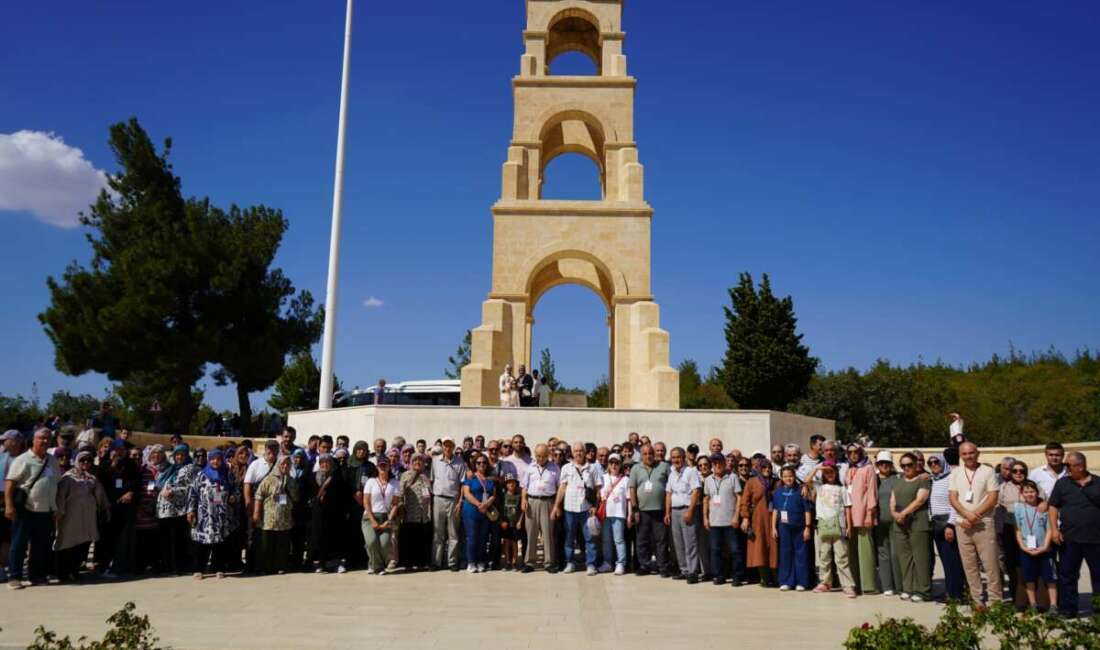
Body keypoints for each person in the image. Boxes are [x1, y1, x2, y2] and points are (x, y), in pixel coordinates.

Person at [948, 441, 1002, 605]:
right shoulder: (956, 472)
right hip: (963, 524)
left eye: (971, 453)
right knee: (969, 565)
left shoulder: (988, 471)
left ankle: (995, 601)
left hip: (983, 522)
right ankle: (977, 600)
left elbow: (993, 498)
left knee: (990, 564)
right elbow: (952, 498)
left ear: (977, 453)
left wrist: (975, 515)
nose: (968, 456)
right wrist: (966, 515)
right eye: (964, 454)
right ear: (960, 455)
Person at [1048, 451, 1100, 618]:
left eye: (1068, 465)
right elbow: (1053, 506)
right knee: (1067, 575)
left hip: (1096, 539)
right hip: (1069, 538)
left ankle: (1098, 610)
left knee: (1099, 575)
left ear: (1081, 466)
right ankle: (1068, 609)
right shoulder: (1062, 484)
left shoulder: (1098, 483)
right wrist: (1054, 529)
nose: (1066, 468)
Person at [53, 450, 109, 582]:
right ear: (77, 461)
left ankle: (74, 570)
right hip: (70, 518)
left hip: (88, 518)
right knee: (68, 544)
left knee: (83, 544)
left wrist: (105, 508)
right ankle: (63, 573)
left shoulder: (92, 478)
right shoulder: (68, 477)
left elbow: (101, 496)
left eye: (88, 460)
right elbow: (61, 496)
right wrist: (59, 513)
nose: (85, 463)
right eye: (82, 460)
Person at [187, 449, 239, 579]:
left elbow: (236, 489)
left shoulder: (227, 474)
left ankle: (219, 567)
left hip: (222, 515)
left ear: (222, 460)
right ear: (209, 460)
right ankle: (199, 569)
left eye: (218, 459)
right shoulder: (201, 475)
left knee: (220, 542)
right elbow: (192, 493)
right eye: (213, 459)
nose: (215, 461)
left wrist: (234, 496)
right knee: (202, 543)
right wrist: (191, 510)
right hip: (204, 514)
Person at [890, 452, 932, 603]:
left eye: (909, 465)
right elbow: (892, 500)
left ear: (916, 465)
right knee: (904, 557)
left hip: (917, 522)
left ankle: (923, 590)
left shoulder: (923, 481)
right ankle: (908, 588)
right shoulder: (898, 482)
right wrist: (895, 514)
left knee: (920, 557)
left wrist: (904, 513)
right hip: (900, 523)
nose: (906, 468)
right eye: (903, 465)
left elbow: (920, 500)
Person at [813, 463, 857, 597]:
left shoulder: (842, 489)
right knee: (824, 555)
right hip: (824, 525)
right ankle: (825, 582)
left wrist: (849, 526)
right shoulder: (820, 487)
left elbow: (848, 507)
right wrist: (818, 469)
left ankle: (847, 585)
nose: (829, 474)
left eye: (831, 472)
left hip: (839, 525)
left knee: (842, 556)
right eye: (826, 472)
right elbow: (806, 481)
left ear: (836, 473)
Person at [556, 442, 600, 575]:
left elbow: (598, 489)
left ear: (585, 452)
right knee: (569, 538)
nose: (578, 453)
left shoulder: (592, 468)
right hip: (570, 508)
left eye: (581, 451)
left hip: (587, 509)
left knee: (590, 538)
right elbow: (562, 488)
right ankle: (570, 563)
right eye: (576, 451)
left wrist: (595, 506)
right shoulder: (566, 468)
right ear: (572, 453)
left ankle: (591, 564)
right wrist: (556, 506)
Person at [97, 442, 139, 578]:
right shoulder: (105, 464)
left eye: (122, 450)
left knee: (124, 538)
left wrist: (131, 493)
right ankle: (104, 566)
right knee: (108, 538)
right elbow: (102, 484)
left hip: (126, 508)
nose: (120, 452)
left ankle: (121, 566)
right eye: (117, 450)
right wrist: (113, 465)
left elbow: (137, 482)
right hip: (110, 507)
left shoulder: (131, 464)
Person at [927, 453, 965, 601]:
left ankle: (956, 594)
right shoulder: (933, 480)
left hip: (948, 524)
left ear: (943, 462)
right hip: (936, 524)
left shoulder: (951, 479)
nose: (934, 464)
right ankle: (951, 591)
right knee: (946, 561)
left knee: (953, 561)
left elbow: (955, 504)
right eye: (930, 463)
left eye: (936, 461)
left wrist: (950, 524)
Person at [1014, 480, 1057, 612]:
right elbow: (1017, 530)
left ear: (1037, 493)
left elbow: (1049, 529)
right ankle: (1032, 604)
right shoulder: (1018, 508)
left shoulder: (1044, 508)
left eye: (1032, 491)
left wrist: (1045, 546)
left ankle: (1054, 605)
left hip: (1045, 550)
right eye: (1026, 492)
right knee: (1029, 578)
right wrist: (1022, 546)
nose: (1029, 494)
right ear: (1021, 493)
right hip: (1027, 549)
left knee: (1050, 578)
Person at [629, 443, 671, 577]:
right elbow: (632, 489)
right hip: (642, 511)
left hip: (660, 511)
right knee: (642, 540)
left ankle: (662, 566)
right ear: (641, 455)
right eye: (645, 454)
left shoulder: (664, 466)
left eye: (650, 453)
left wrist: (667, 511)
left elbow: (670, 488)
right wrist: (635, 510)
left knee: (661, 541)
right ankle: (644, 565)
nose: (648, 456)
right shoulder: (636, 468)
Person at [253, 455, 298, 575]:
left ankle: (281, 566)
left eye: (288, 464)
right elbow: (258, 496)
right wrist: (256, 513)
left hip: (285, 518)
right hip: (269, 518)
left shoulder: (292, 480)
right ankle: (266, 567)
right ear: (278, 464)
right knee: (267, 544)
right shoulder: (268, 479)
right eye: (283, 464)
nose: (285, 466)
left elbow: (296, 498)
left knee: (283, 544)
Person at [703, 451, 742, 586]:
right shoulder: (708, 480)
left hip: (730, 521)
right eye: (714, 463)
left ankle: (737, 576)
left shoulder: (732, 477)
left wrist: (737, 516)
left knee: (735, 550)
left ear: (724, 463)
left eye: (719, 462)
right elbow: (706, 499)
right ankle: (719, 576)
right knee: (715, 550)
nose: (717, 465)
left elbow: (739, 498)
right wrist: (705, 518)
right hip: (714, 522)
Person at [308, 453, 351, 574]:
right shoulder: (312, 476)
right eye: (322, 463)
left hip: (334, 514)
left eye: (327, 463)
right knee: (317, 538)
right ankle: (317, 564)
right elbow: (308, 493)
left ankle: (334, 564)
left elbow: (343, 495)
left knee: (333, 538)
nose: (324, 465)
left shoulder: (337, 477)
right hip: (317, 514)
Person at [521, 443, 560, 573]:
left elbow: (560, 487)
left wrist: (556, 506)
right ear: (535, 454)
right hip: (532, 502)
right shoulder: (530, 468)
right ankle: (530, 562)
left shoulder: (555, 468)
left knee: (548, 533)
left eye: (543, 456)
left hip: (547, 502)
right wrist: (523, 499)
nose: (541, 458)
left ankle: (549, 563)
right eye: (538, 456)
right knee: (531, 533)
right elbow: (524, 486)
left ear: (548, 455)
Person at [739, 456, 778, 587]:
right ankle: (764, 578)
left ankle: (776, 577)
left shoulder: (776, 482)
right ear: (759, 469)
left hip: (773, 519)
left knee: (774, 547)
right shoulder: (752, 482)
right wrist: (745, 518)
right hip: (758, 519)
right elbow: (745, 501)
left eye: (769, 467)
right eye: (764, 467)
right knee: (759, 547)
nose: (767, 470)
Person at [997, 458, 1032, 603]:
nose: (1018, 473)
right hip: (1009, 529)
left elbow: (1042, 504)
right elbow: (997, 509)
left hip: (1030, 529)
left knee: (1029, 562)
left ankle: (1033, 598)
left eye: (1021, 471)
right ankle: (1017, 598)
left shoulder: (1032, 486)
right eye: (1015, 471)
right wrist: (998, 530)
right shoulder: (1004, 487)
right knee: (1012, 564)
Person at [666, 447, 702, 583]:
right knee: (678, 543)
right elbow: (668, 493)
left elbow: (696, 492)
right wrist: (667, 512)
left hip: (687, 510)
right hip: (674, 511)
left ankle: (692, 572)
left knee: (690, 542)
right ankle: (684, 570)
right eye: (673, 457)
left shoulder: (690, 472)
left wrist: (691, 511)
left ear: (684, 457)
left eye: (678, 457)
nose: (676, 460)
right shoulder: (671, 474)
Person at [772, 466, 811, 591]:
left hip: (799, 527)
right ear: (781, 478)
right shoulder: (777, 492)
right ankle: (786, 581)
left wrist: (807, 527)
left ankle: (802, 582)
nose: (788, 478)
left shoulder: (801, 491)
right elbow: (775, 510)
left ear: (795, 477)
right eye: (785, 476)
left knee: (801, 554)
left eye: (790, 476)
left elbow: (807, 511)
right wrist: (773, 527)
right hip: (783, 527)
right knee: (785, 554)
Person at [362, 456, 401, 575]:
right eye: (381, 466)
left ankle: (373, 564)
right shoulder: (371, 481)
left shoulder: (395, 483)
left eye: (385, 465)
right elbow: (366, 502)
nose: (383, 468)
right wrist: (373, 520)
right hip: (370, 516)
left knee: (384, 544)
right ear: (377, 467)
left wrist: (389, 519)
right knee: (372, 542)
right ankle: (377, 567)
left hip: (386, 516)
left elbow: (395, 503)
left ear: (389, 467)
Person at [432, 437, 466, 571]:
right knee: (438, 533)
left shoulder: (459, 463)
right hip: (438, 499)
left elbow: (462, 484)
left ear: (453, 447)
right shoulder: (436, 461)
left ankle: (452, 562)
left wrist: (460, 501)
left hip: (453, 500)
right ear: (443, 447)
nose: (447, 448)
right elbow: (432, 480)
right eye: (445, 445)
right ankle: (436, 562)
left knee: (453, 533)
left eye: (450, 445)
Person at [459, 454, 495, 573]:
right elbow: (467, 493)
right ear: (475, 464)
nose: (481, 465)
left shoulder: (490, 479)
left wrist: (486, 504)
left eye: (484, 462)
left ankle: (480, 561)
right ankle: (471, 562)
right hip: (471, 510)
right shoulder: (470, 478)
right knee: (472, 537)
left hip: (485, 511)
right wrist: (479, 504)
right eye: (478, 463)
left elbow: (493, 495)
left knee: (483, 538)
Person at [398, 453, 433, 570]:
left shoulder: (427, 475)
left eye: (420, 461)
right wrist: (401, 507)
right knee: (410, 539)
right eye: (415, 461)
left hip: (424, 514)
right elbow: (401, 492)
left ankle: (421, 562)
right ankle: (408, 563)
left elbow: (431, 492)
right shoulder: (405, 475)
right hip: (410, 513)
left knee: (422, 539)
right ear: (411, 462)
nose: (417, 463)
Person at [597, 453, 630, 575]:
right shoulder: (604, 477)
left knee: (619, 540)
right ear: (608, 464)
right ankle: (608, 563)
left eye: (616, 463)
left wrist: (629, 515)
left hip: (619, 514)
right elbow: (600, 495)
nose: (614, 465)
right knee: (606, 540)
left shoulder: (625, 479)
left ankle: (621, 563)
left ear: (620, 464)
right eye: (611, 463)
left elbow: (628, 499)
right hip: (606, 514)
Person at [500, 474, 524, 570]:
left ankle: (514, 561)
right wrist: (502, 521)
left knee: (514, 543)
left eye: (513, 482)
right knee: (506, 543)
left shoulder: (519, 496)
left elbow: (522, 510)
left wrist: (520, 521)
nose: (511, 484)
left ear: (516, 484)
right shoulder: (503, 496)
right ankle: (507, 561)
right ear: (506, 484)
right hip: (506, 523)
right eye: (509, 482)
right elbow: (500, 510)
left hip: (515, 523)